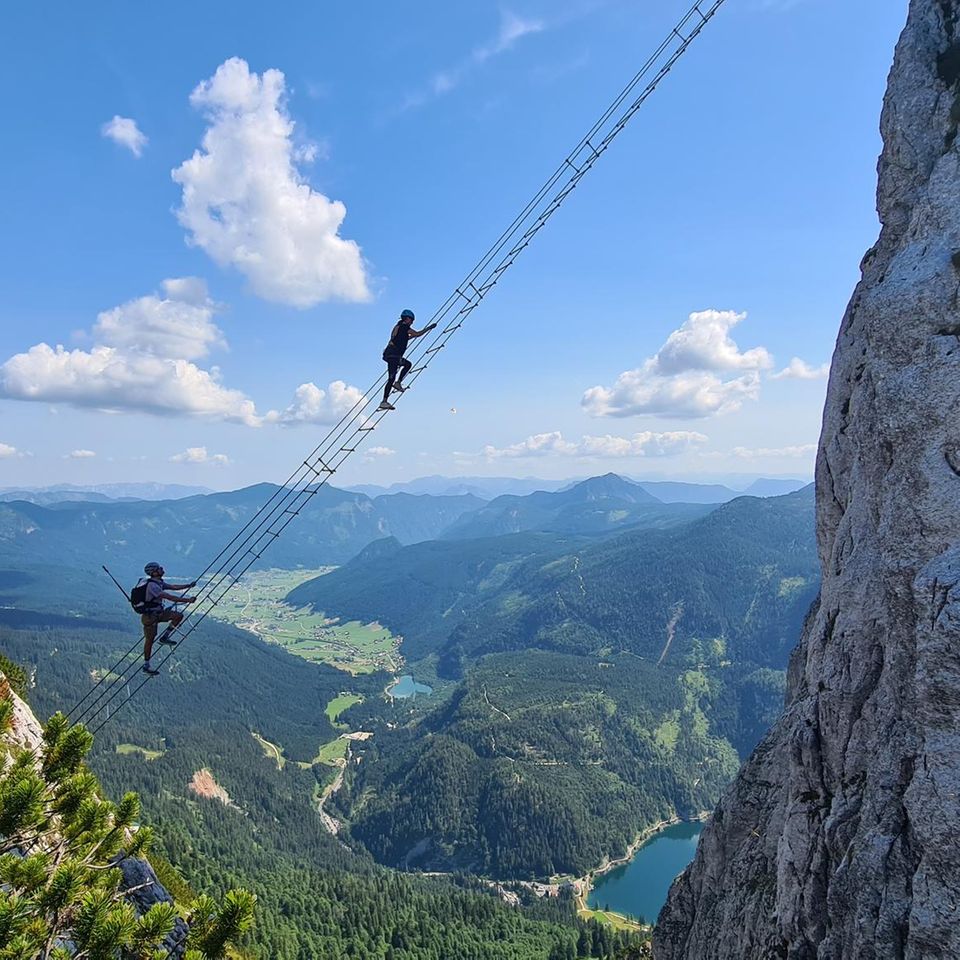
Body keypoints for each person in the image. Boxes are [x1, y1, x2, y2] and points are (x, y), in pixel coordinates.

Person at [138, 562, 197, 675]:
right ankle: (146, 665)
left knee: (178, 616)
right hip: (151, 616)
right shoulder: (153, 586)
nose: (162, 569)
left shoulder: (157, 582)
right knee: (149, 640)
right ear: (154, 572)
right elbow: (170, 597)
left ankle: (164, 637)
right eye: (159, 568)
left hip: (155, 614)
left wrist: (188, 585)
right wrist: (188, 600)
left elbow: (173, 587)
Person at [378, 309, 436, 411]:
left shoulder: (398, 327)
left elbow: (403, 338)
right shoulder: (404, 327)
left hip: (391, 355)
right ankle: (388, 396)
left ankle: (389, 395)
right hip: (394, 356)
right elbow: (417, 334)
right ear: (407, 319)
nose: (412, 322)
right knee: (405, 367)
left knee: (393, 376)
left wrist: (412, 336)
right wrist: (429, 328)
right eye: (412, 320)